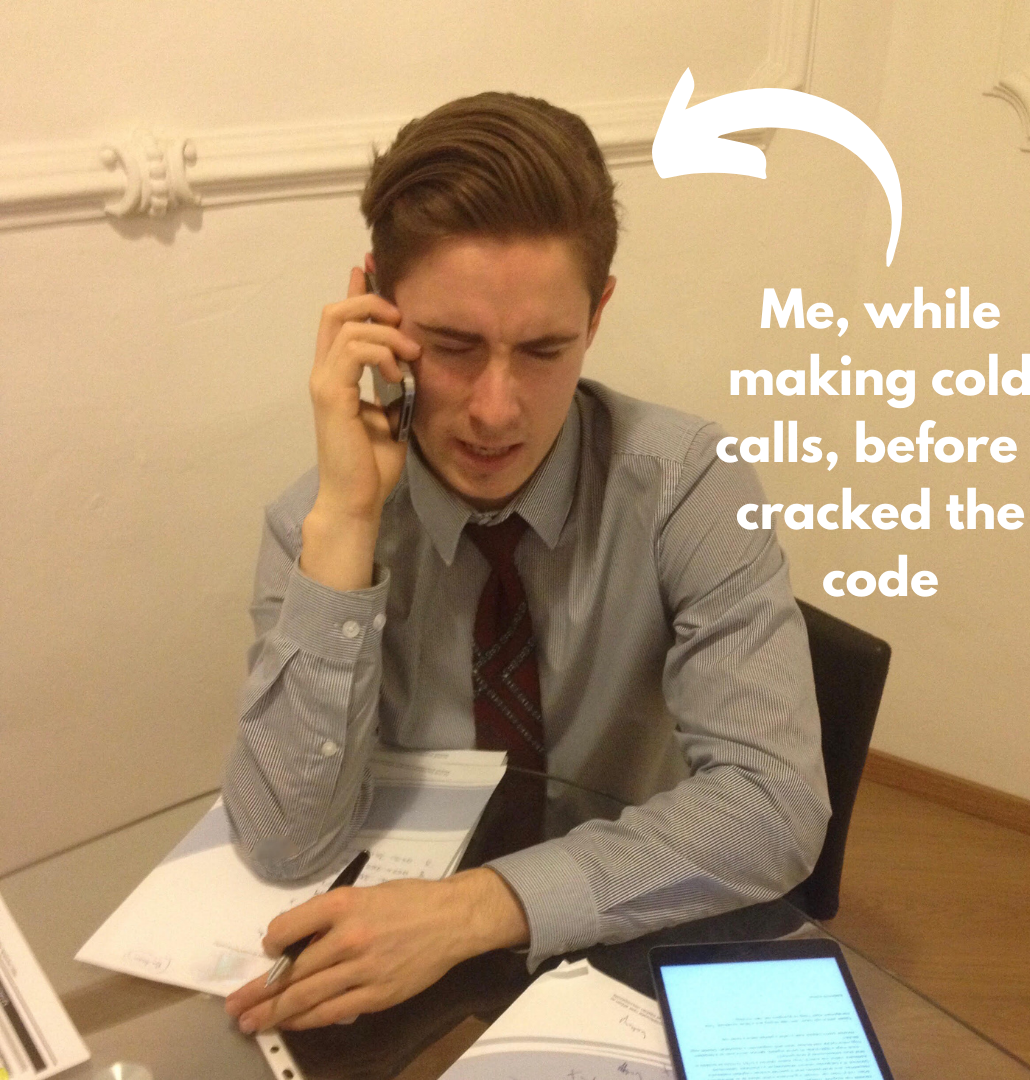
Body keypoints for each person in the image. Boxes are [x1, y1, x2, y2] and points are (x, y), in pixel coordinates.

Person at [222, 91, 830, 1034]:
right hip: (402, 968)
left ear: (598, 313)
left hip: (631, 921)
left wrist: (472, 911)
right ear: (376, 311)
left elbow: (776, 806)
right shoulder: (316, 518)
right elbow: (283, 842)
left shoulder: (689, 484)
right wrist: (346, 523)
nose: (496, 410)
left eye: (544, 349)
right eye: (453, 346)